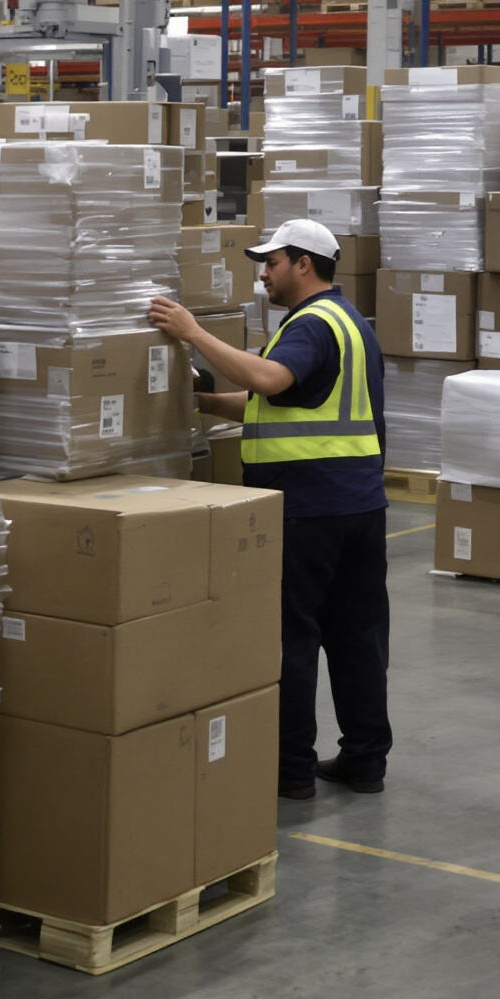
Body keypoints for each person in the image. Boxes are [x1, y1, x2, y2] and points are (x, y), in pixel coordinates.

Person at [145, 217, 390, 803]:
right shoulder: (348, 322)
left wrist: (192, 332)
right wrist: (197, 400)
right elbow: (274, 401)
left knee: (295, 639)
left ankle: (291, 772)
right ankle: (364, 761)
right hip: (359, 505)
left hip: (309, 506)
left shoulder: (308, 325)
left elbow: (269, 378)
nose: (263, 274)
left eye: (272, 263)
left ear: (304, 263)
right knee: (357, 638)